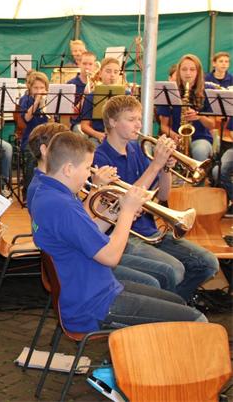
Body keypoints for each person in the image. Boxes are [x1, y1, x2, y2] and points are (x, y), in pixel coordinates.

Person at [30, 131, 206, 333]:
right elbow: (111, 257)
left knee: (178, 302)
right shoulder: (62, 205)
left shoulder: (51, 193)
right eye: (87, 168)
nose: (89, 174)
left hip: (96, 288)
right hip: (94, 304)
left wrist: (116, 212)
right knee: (197, 321)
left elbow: (87, 233)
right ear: (68, 169)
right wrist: (127, 213)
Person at [94, 95, 219, 301]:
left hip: (150, 230)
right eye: (131, 119)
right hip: (125, 235)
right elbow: (127, 200)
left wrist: (165, 168)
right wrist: (156, 165)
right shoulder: (100, 157)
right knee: (174, 270)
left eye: (139, 118)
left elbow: (163, 195)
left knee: (207, 263)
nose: (138, 124)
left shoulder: (136, 148)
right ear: (113, 122)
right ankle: (172, 309)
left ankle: (176, 305)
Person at [27, 122, 179, 291]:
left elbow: (82, 224)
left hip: (86, 255)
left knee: (165, 273)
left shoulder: (54, 187)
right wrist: (125, 211)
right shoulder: (52, 195)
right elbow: (87, 232)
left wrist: (116, 210)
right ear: (44, 150)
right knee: (161, 277)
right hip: (84, 270)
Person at [157, 54, 215, 162]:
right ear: (179, 71)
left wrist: (199, 117)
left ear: (198, 72)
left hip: (200, 138)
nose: (188, 73)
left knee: (200, 151)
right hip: (176, 137)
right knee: (161, 150)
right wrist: (175, 136)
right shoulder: (169, 91)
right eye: (184, 69)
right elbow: (163, 126)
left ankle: (199, 173)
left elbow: (212, 124)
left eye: (192, 69)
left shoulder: (208, 90)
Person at [80, 57, 128, 144]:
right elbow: (84, 125)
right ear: (100, 73)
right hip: (98, 137)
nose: (112, 75)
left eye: (116, 72)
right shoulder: (91, 96)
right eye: (108, 71)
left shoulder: (127, 95)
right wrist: (98, 135)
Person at [19, 71, 50, 193]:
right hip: (31, 137)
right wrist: (36, 103)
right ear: (30, 88)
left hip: (48, 137)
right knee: (31, 158)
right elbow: (27, 119)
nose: (39, 91)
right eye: (36, 88)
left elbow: (53, 121)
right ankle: (28, 190)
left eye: (42, 88)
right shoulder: (25, 100)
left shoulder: (50, 99)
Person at [67, 50, 97, 133]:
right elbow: (73, 116)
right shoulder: (71, 84)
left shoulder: (98, 84)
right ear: (79, 64)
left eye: (90, 64)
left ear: (95, 66)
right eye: (84, 64)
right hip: (78, 123)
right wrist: (85, 97)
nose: (87, 67)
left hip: (95, 124)